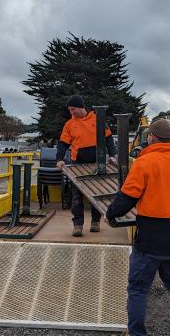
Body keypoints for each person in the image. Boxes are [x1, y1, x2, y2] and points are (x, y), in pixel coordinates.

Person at [106, 118, 170, 336]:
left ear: (151, 137)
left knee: (138, 287)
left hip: (151, 239)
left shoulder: (144, 163)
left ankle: (136, 333)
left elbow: (127, 198)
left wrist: (110, 214)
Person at [56, 95, 117, 237]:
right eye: (70, 110)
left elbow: (108, 139)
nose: (72, 112)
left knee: (96, 193)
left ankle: (95, 222)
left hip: (97, 163)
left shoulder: (97, 119)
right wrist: (59, 159)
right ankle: (78, 225)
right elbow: (63, 143)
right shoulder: (70, 124)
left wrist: (113, 155)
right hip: (78, 163)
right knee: (76, 196)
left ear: (81, 107)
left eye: (73, 109)